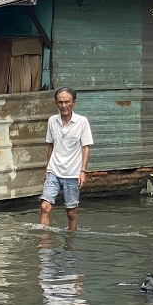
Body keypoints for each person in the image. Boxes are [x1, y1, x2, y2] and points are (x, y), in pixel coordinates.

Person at [40, 87, 93, 231]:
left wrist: (83, 171)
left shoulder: (82, 122)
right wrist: (46, 169)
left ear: (73, 103)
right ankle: (44, 245)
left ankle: (70, 245)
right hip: (54, 171)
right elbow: (51, 145)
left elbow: (85, 147)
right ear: (56, 103)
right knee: (45, 207)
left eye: (67, 102)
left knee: (71, 213)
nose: (63, 106)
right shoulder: (52, 121)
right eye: (60, 102)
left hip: (72, 174)